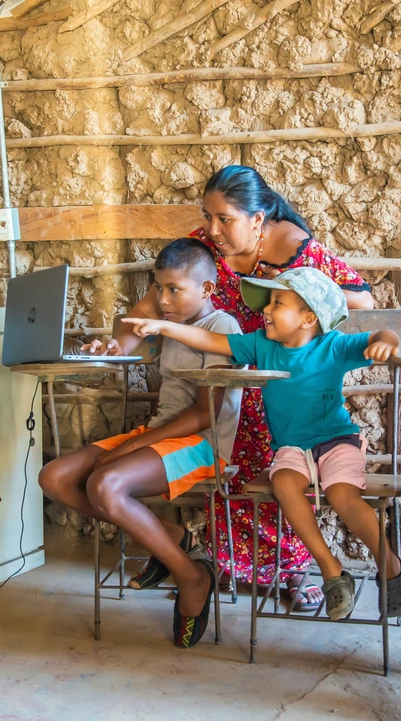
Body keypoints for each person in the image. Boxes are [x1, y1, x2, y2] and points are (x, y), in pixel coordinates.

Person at [83, 165, 375, 611]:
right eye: (208, 216)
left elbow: (361, 297)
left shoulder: (292, 247)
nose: (212, 229)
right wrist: (114, 345)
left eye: (225, 219)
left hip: (277, 384)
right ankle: (227, 564)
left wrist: (292, 296)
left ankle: (293, 572)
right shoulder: (205, 247)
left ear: (258, 219)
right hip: (222, 384)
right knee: (230, 479)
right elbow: (146, 312)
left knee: (282, 474)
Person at [123, 267, 401, 620]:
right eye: (268, 303)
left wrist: (386, 343)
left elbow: (384, 333)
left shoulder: (333, 345)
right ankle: (333, 571)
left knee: (341, 495)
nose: (266, 311)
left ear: (308, 317)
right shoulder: (261, 345)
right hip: (292, 449)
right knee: (284, 483)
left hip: (337, 442)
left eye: (278, 303)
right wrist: (164, 326)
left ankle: (389, 565)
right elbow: (209, 341)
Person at [38, 238, 243, 648]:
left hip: (203, 444)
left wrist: (135, 446)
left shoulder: (221, 328)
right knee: (56, 477)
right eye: (159, 289)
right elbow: (125, 343)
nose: (164, 300)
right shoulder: (169, 325)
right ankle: (174, 537)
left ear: (206, 289)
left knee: (104, 484)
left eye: (174, 289)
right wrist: (108, 350)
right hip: (160, 433)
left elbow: (206, 414)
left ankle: (191, 576)